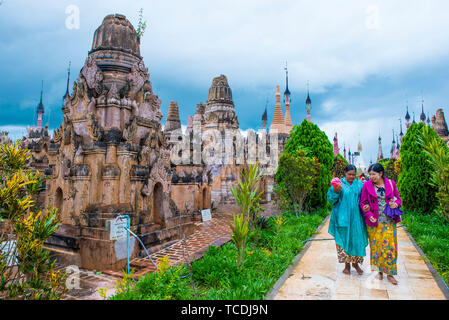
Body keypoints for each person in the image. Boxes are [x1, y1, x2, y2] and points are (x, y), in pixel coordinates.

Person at [360, 163, 402, 285]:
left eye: (374, 174)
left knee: (390, 248)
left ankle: (390, 274)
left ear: (381, 173)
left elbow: (398, 199)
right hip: (374, 222)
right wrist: (368, 214)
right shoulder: (367, 185)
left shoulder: (390, 183)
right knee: (376, 248)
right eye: (370, 174)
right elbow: (362, 203)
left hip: (389, 221)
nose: (371, 176)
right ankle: (379, 271)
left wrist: (396, 204)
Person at [327, 165, 369, 275]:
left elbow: (365, 200)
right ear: (345, 173)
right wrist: (335, 191)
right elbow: (331, 199)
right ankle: (347, 266)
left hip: (357, 219)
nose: (351, 176)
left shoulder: (360, 185)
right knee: (344, 240)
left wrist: (366, 207)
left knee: (356, 240)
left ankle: (356, 264)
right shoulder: (338, 184)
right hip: (342, 218)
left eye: (353, 174)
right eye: (349, 174)